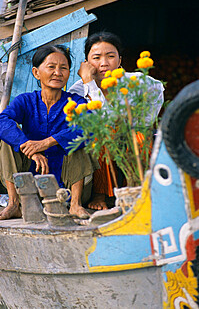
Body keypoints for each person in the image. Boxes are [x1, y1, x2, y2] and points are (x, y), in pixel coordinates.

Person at [0, 45, 97, 220]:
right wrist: (29, 148)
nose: (58, 72)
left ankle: (75, 205)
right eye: (51, 67)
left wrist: (48, 142)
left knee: (78, 140)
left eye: (63, 68)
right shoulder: (26, 101)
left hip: (67, 188)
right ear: (36, 72)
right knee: (7, 139)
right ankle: (14, 204)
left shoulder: (76, 102)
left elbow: (91, 127)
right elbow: (0, 122)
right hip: (28, 188)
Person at [69, 31, 164, 210]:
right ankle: (100, 194)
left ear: (120, 61)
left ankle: (135, 189)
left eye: (110, 56)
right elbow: (101, 118)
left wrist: (143, 121)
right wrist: (89, 83)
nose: (104, 63)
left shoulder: (133, 81)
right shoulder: (78, 90)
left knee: (139, 138)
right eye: (96, 57)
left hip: (130, 135)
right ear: (86, 63)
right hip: (102, 140)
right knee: (99, 136)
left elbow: (158, 89)